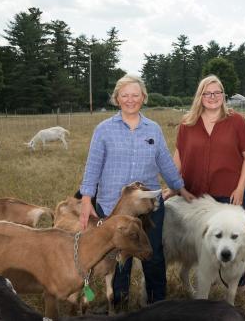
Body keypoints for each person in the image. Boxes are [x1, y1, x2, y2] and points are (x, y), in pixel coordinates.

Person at [79, 74, 195, 307]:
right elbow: (93, 165)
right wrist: (86, 200)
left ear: (143, 97)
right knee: (118, 257)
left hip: (147, 208)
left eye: (135, 95)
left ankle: (157, 304)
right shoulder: (104, 130)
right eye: (125, 95)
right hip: (113, 205)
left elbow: (165, 163)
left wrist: (181, 189)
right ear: (117, 98)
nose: (130, 100)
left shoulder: (153, 129)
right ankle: (119, 304)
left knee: (152, 255)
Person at [168, 75, 245, 286]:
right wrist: (172, 185)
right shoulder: (188, 123)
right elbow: (179, 154)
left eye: (217, 93)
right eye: (207, 93)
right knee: (207, 238)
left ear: (223, 95)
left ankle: (234, 284)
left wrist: (241, 187)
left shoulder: (236, 121)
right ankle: (208, 277)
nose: (213, 97)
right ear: (200, 96)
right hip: (197, 193)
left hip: (229, 191)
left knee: (235, 235)